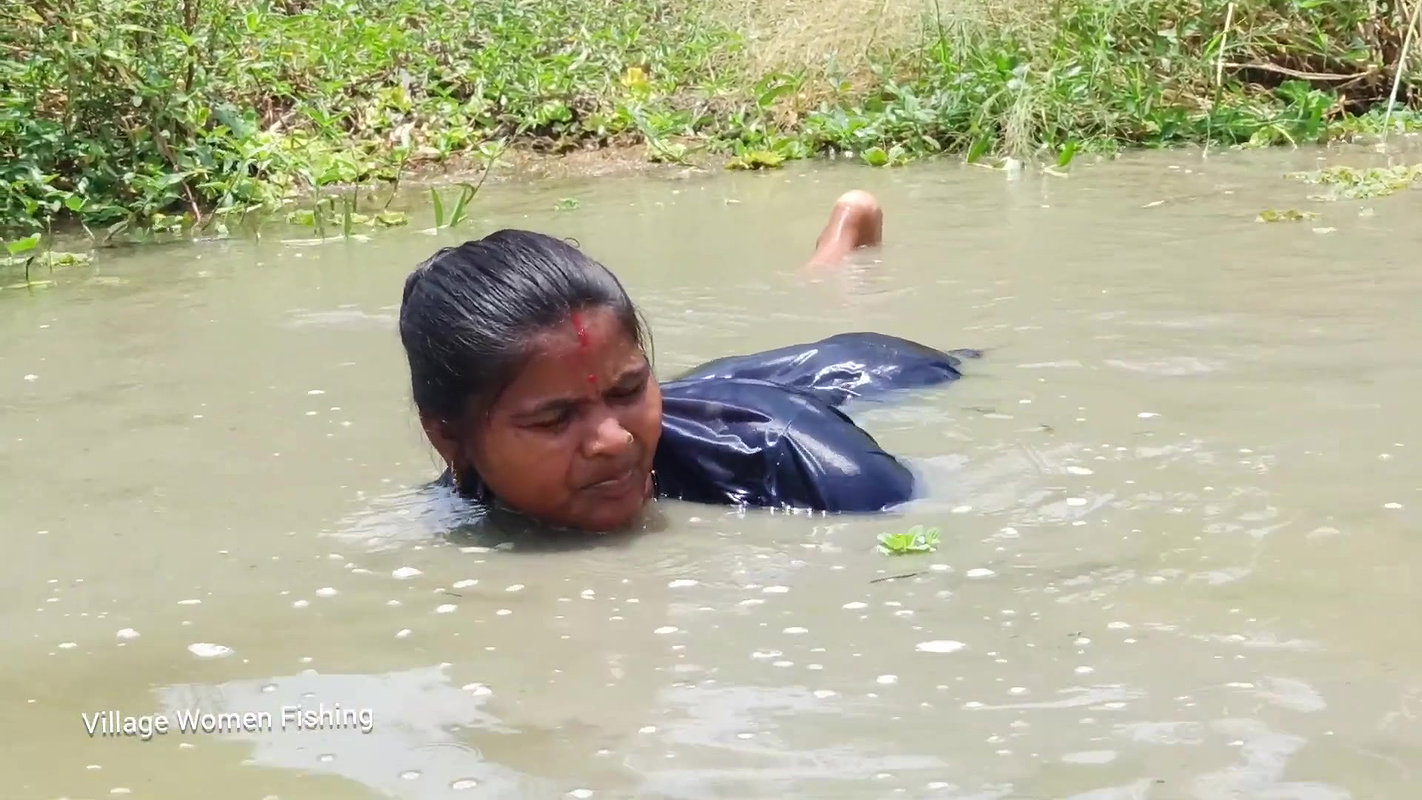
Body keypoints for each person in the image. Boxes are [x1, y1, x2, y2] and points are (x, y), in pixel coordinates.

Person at [398, 190, 978, 533]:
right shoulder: (461, 488)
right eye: (554, 420)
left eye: (629, 389)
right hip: (718, 393)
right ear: (450, 439)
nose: (614, 442)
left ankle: (849, 236)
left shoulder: (808, 466)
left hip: (858, 373)